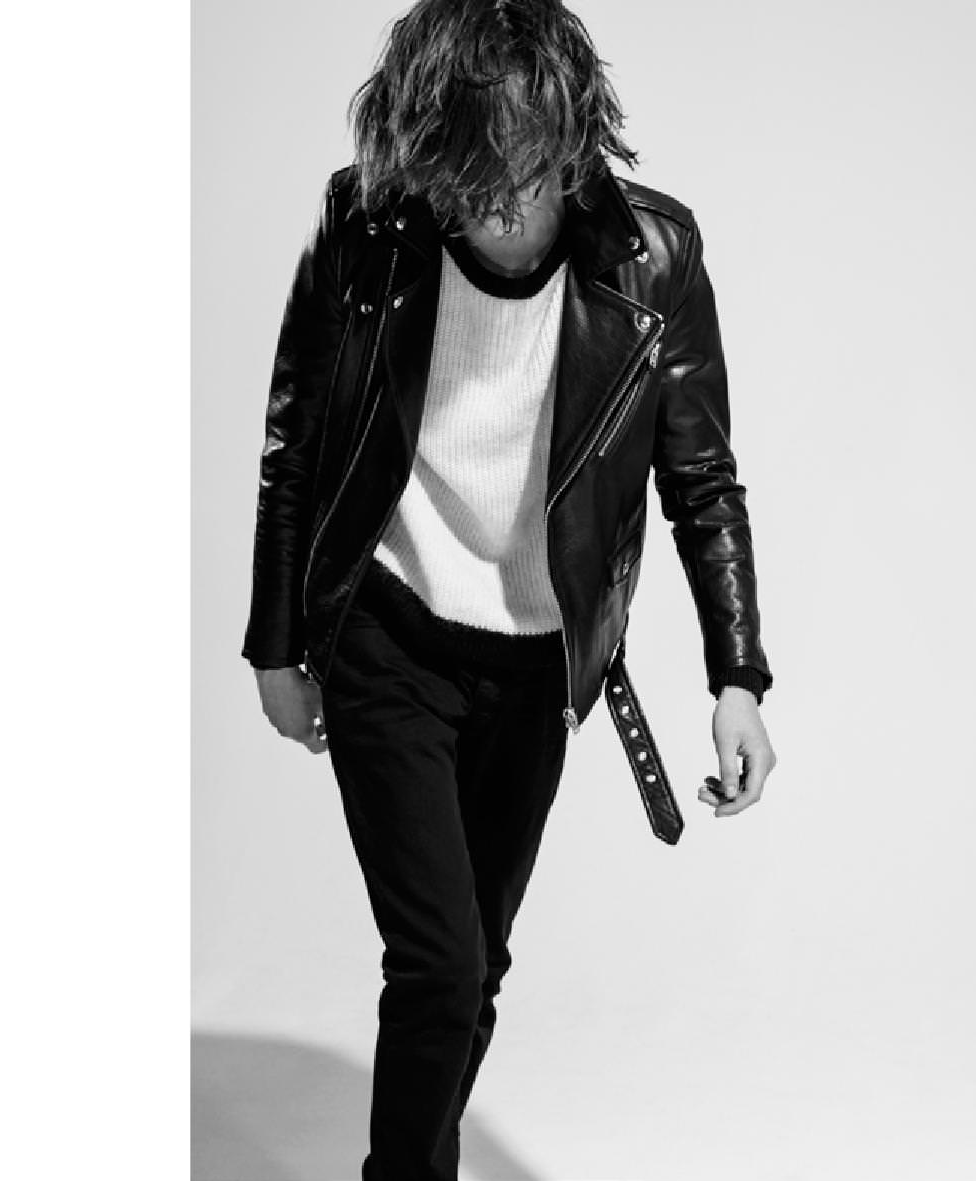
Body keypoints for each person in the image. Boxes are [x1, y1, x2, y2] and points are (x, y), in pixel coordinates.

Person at [238, 1, 779, 1177]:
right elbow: (296, 441)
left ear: (572, 140)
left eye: (522, 174)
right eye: (465, 177)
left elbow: (700, 477)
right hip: (384, 629)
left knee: (475, 964)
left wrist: (735, 675)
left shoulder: (654, 257)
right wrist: (275, 645)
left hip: (537, 662)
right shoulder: (366, 223)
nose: (494, 210)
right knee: (435, 960)